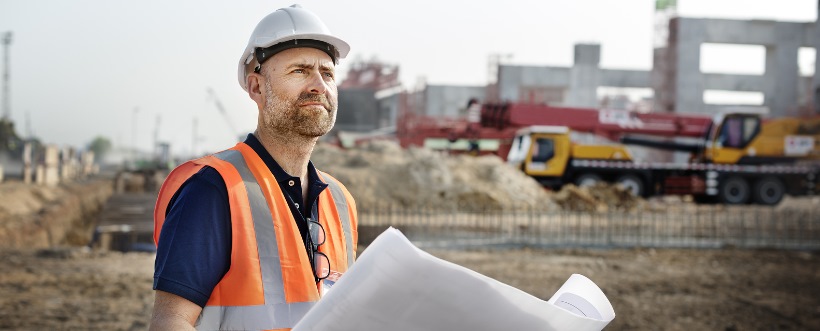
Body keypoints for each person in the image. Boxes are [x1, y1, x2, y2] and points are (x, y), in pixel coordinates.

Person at [149, 5, 358, 330]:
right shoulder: (214, 190)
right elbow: (170, 323)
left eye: (327, 73)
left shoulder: (341, 202)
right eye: (300, 70)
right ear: (256, 87)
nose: (319, 84)